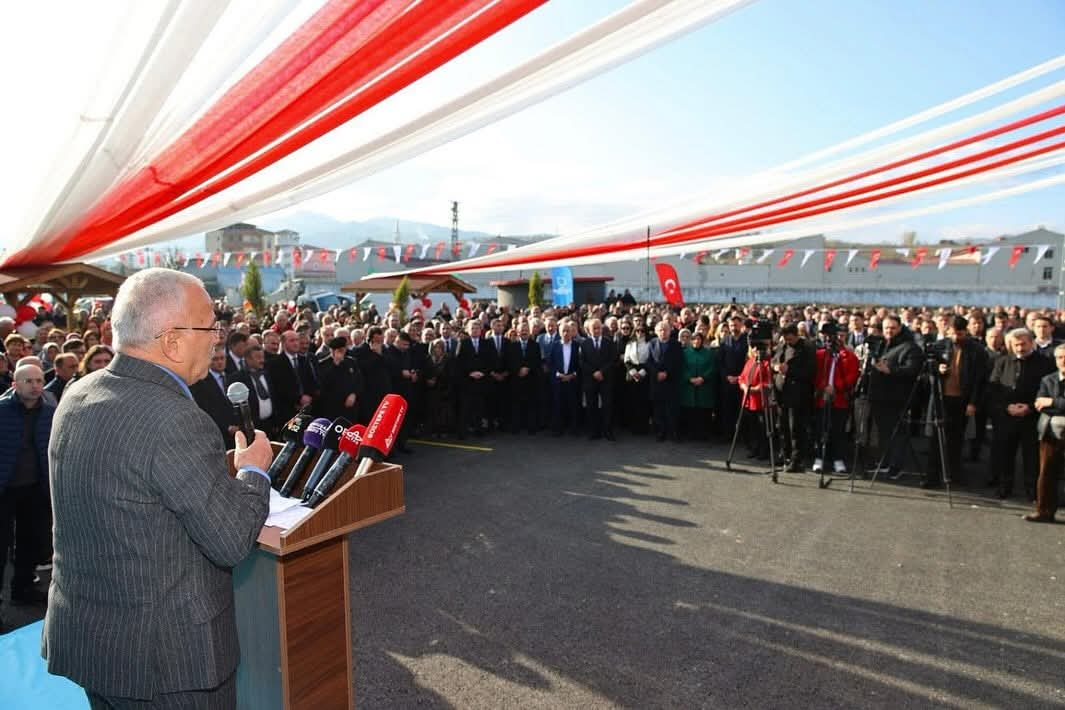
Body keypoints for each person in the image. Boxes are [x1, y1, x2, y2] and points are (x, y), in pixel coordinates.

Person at [43, 268, 274, 708]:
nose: (217, 339)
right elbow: (230, 541)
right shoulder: (176, 420)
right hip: (169, 664)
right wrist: (252, 473)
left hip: (96, 645)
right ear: (171, 341)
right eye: (210, 327)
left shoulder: (77, 395)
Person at [0, 365, 55, 629]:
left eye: (39, 380)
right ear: (15, 384)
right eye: (29, 381)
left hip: (35, 487)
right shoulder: (2, 410)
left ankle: (22, 589)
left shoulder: (49, 412)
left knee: (29, 543)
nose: (35, 386)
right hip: (5, 488)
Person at [987, 328, 1055, 500]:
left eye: (1023, 344)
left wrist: (1030, 407)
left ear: (1031, 342)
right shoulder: (1002, 361)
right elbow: (994, 388)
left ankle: (1032, 490)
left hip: (1031, 416)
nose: (1019, 348)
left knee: (1031, 456)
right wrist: (1006, 407)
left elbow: (1047, 390)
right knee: (1005, 453)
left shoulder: (1045, 363)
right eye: (1016, 345)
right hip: (1006, 416)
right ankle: (1004, 487)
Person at [926, 316, 987, 488]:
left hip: (962, 400)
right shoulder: (939, 346)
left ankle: (954, 475)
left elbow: (979, 380)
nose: (955, 337)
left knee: (956, 440)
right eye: (952, 333)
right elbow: (926, 373)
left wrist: (973, 403)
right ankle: (932, 476)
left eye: (959, 334)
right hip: (941, 398)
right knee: (935, 440)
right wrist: (937, 369)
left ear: (965, 332)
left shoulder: (977, 350)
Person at [866, 315, 921, 478]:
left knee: (897, 433)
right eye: (886, 328)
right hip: (879, 395)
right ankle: (884, 461)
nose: (889, 331)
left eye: (893, 328)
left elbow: (913, 370)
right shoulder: (882, 345)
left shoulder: (910, 347)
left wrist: (891, 370)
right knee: (882, 432)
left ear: (900, 328)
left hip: (897, 397)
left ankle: (896, 466)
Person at [811, 323, 859, 474]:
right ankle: (819, 458)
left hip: (839, 399)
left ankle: (838, 459)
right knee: (820, 429)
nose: (837, 339)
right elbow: (814, 374)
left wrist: (836, 387)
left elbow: (852, 376)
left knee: (837, 430)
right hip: (821, 397)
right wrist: (823, 387)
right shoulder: (820, 355)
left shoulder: (849, 356)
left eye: (841, 336)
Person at [772, 324, 815, 472]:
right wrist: (776, 367)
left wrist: (790, 370)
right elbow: (774, 359)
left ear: (795, 335)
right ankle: (785, 455)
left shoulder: (807, 348)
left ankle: (797, 459)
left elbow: (809, 372)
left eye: (789, 338)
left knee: (795, 428)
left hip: (798, 394)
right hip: (781, 393)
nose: (787, 341)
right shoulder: (783, 346)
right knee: (782, 427)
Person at [1029, 343, 1065, 522]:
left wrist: (1052, 402)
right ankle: (1044, 511)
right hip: (1050, 431)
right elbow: (1038, 403)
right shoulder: (1048, 379)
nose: (1063, 361)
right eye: (1059, 357)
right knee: (1046, 473)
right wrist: (1053, 404)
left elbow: (1048, 403)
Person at [189, 344, 238, 449]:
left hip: (237, 433)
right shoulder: (200, 383)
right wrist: (226, 427)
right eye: (215, 359)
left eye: (222, 358)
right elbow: (206, 410)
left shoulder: (232, 377)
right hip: (218, 435)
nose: (220, 362)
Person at [231, 343, 282, 439]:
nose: (262, 360)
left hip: (270, 426)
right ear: (248, 359)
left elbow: (274, 397)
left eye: (263, 357)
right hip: (252, 428)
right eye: (258, 357)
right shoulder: (238, 379)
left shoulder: (266, 373)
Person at [579, 318, 616, 440]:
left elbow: (612, 360)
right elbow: (582, 361)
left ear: (602, 329)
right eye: (593, 328)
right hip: (590, 379)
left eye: (598, 328)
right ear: (589, 330)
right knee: (591, 406)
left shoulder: (609, 342)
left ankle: (608, 431)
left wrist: (601, 372)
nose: (596, 330)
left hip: (605, 379)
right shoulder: (584, 344)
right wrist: (594, 372)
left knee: (607, 406)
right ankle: (594, 432)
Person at [647, 320, 684, 442]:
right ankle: (661, 432)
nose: (663, 332)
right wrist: (656, 373)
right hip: (657, 381)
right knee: (659, 409)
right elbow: (649, 361)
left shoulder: (676, 344)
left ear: (670, 331)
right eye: (660, 330)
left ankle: (674, 432)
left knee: (672, 409)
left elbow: (678, 363)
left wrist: (667, 373)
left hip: (671, 381)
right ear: (657, 332)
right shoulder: (652, 343)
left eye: (665, 329)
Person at [680, 332, 718, 440]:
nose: (696, 341)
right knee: (690, 411)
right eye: (694, 339)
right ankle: (690, 433)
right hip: (689, 386)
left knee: (703, 412)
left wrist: (703, 378)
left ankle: (703, 434)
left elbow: (712, 368)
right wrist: (689, 378)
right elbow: (682, 367)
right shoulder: (685, 353)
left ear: (702, 341)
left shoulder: (709, 353)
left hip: (704, 386)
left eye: (699, 339)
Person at [317, 336, 363, 423]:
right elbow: (323, 384)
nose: (342, 352)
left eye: (343, 349)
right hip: (332, 408)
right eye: (339, 350)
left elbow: (359, 381)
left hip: (350, 407)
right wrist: (336, 364)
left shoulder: (351, 362)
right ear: (332, 351)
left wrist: (354, 394)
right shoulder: (323, 364)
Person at [548, 321, 581, 436]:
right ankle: (558, 429)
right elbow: (550, 364)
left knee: (573, 406)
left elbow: (580, 364)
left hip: (572, 380)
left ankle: (574, 429)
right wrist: (559, 375)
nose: (566, 333)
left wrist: (573, 375)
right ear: (560, 333)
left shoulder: (577, 346)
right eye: (564, 331)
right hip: (559, 380)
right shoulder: (555, 345)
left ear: (572, 333)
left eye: (568, 331)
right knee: (558, 405)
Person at [623, 325, 652, 435]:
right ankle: (634, 427)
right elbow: (626, 359)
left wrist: (642, 372)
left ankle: (644, 427)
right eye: (638, 331)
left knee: (644, 402)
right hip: (632, 373)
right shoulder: (630, 343)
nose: (640, 333)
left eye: (642, 331)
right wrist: (633, 372)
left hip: (645, 373)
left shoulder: (650, 343)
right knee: (633, 401)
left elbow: (650, 359)